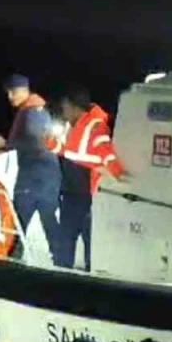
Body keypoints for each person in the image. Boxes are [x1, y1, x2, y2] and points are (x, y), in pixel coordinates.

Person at [0, 74, 61, 262]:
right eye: (8, 93)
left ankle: (12, 262)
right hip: (47, 176)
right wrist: (6, 148)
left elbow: (36, 142)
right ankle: (62, 262)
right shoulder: (38, 109)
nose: (10, 97)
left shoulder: (32, 112)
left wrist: (7, 144)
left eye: (13, 92)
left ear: (24, 91)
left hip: (35, 177)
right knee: (48, 220)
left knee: (18, 221)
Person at [50, 88, 127, 270]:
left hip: (87, 195)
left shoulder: (96, 126)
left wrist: (119, 174)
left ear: (75, 107)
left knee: (86, 240)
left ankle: (86, 274)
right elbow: (68, 151)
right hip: (71, 192)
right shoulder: (72, 126)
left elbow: (106, 153)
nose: (63, 112)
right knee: (67, 239)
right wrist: (51, 144)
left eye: (65, 107)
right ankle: (62, 272)